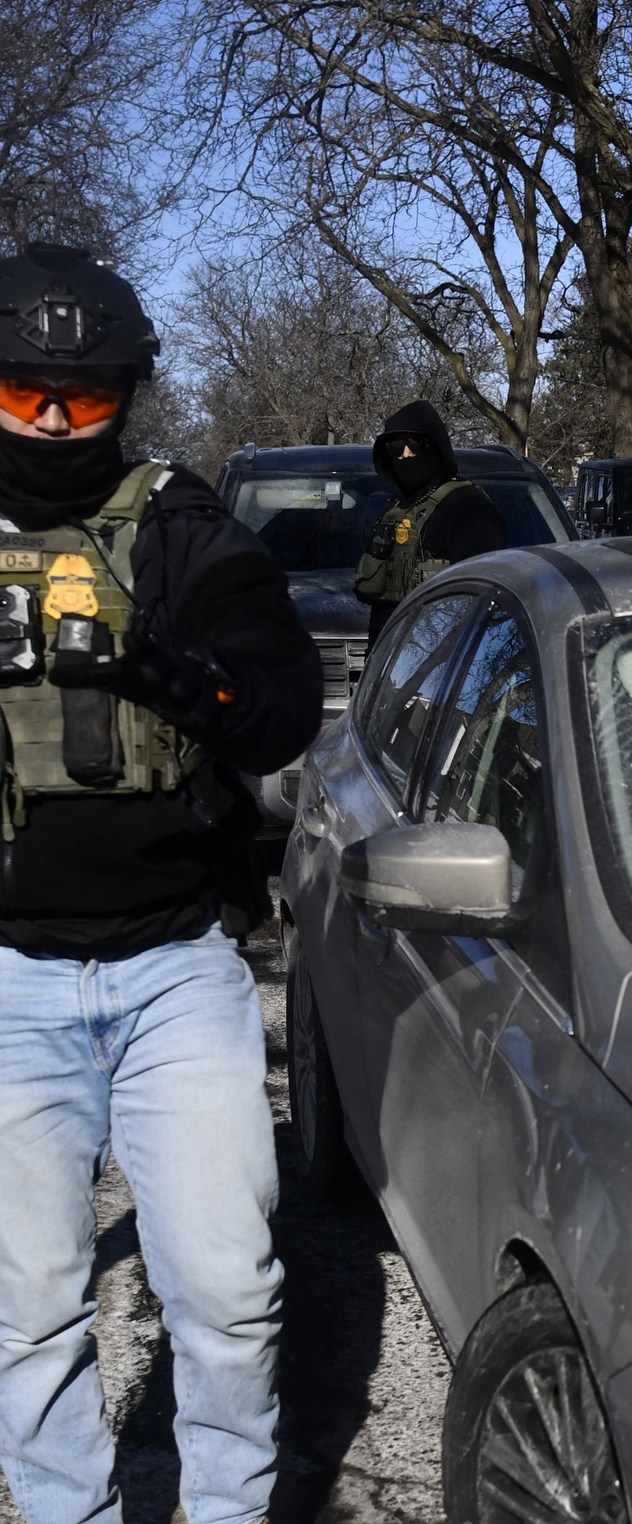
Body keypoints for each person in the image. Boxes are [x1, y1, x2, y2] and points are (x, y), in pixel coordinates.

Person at [0, 245, 323, 1524]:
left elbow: (283, 703)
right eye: (29, 395)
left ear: (127, 394)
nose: (60, 422)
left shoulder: (185, 525)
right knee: (28, 1308)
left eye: (87, 396)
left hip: (177, 973)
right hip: (10, 981)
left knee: (231, 1295)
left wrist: (196, 682)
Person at [354, 400, 505, 644]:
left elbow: (482, 603)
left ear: (436, 446)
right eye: (395, 447)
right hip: (390, 662)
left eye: (415, 445)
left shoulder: (468, 509)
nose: (405, 455)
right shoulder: (395, 510)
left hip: (442, 665)